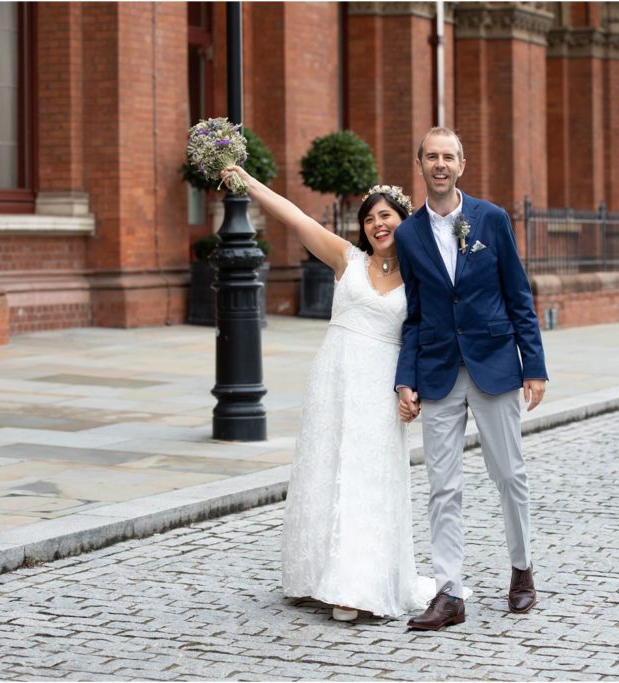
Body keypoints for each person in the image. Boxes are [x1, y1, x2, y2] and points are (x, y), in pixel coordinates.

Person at [221, 165, 428, 621]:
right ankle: (317, 574)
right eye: (371, 217)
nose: (378, 224)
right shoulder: (346, 260)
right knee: (324, 468)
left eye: (387, 216)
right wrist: (249, 183)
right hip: (333, 378)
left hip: (379, 386)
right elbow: (295, 218)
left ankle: (355, 585)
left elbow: (423, 338)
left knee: (366, 476)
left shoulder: (419, 280)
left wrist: (413, 389)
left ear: (404, 222)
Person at [394, 127, 548, 631]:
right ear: (419, 166)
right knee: (443, 487)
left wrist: (535, 365)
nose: (440, 165)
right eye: (431, 157)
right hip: (438, 372)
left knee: (509, 475)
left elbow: (518, 294)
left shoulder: (492, 219)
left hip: (496, 365)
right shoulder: (407, 234)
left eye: (448, 157)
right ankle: (449, 593)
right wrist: (405, 380)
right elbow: (413, 315)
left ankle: (521, 570)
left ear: (462, 164)